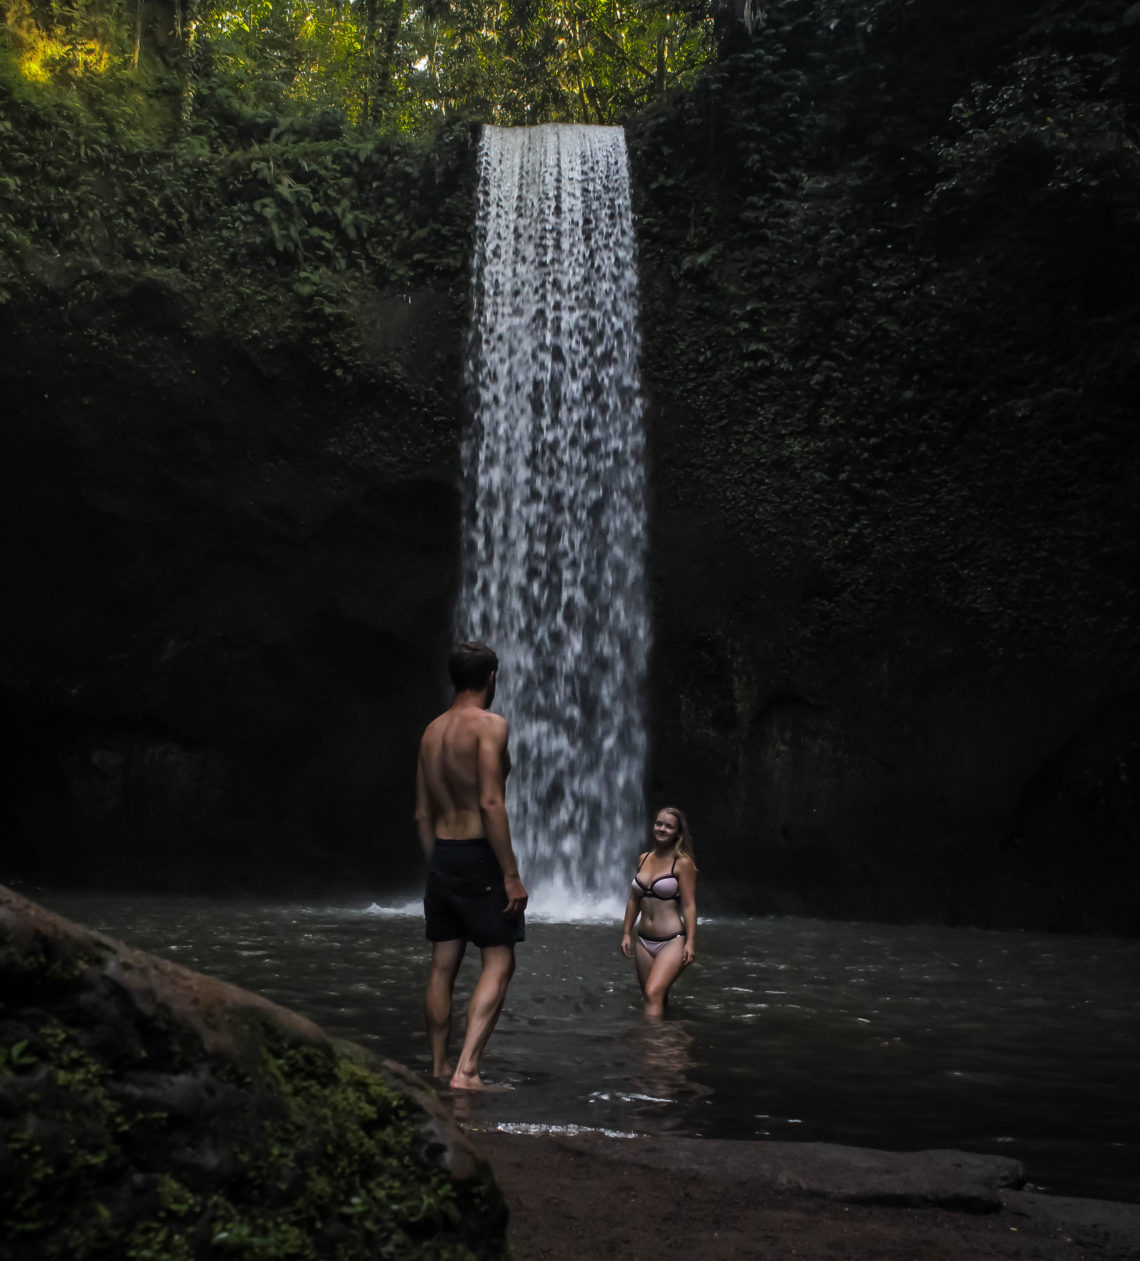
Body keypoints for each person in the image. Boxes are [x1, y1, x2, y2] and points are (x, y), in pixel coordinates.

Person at [415, 641, 528, 1090]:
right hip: (480, 854)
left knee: (443, 964)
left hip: (442, 854)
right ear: (492, 677)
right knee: (499, 962)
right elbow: (489, 800)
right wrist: (511, 874)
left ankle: (440, 1066)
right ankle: (467, 1071)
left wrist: (438, 865)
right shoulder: (490, 725)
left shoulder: (431, 731)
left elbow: (421, 813)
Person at [620, 806, 697, 1019]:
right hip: (643, 941)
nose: (662, 829)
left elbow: (689, 905)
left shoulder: (683, 863)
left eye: (669, 826)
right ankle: (669, 1037)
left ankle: (652, 1046)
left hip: (671, 940)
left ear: (678, 833)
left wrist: (690, 941)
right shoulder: (643, 858)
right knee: (653, 997)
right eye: (659, 824)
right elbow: (634, 899)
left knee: (653, 994)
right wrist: (626, 932)